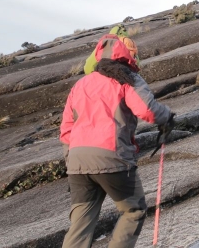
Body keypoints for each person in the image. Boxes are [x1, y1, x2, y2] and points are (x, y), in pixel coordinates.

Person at [60, 36, 174, 248]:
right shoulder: (126, 78)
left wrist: (71, 161)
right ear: (127, 55)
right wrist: (167, 116)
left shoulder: (81, 84)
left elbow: (66, 129)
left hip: (77, 161)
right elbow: (147, 110)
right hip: (111, 156)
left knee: (81, 224)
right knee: (134, 210)